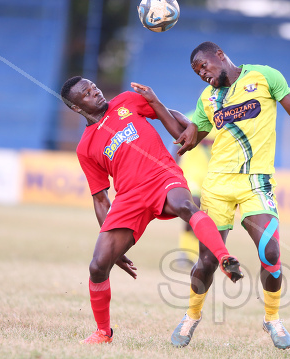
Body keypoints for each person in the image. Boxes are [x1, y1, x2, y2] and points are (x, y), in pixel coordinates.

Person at [132, 42, 290, 350]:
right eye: (197, 73)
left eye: (203, 66)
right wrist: (155, 103)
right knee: (207, 260)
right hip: (217, 185)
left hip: (256, 183)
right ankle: (191, 316)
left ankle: (272, 319)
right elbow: (187, 137)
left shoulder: (265, 76)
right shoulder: (208, 98)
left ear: (219, 54)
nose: (203, 74)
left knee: (271, 253)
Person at [59, 76, 244, 345]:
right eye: (86, 93)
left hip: (162, 174)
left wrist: (189, 129)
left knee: (185, 206)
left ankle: (225, 258)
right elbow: (100, 198)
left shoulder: (126, 101)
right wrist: (111, 243)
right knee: (98, 266)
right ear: (77, 107)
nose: (95, 92)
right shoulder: (85, 148)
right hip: (129, 197)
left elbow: (167, 113)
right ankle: (103, 332)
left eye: (94, 87)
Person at [174, 112, 216, 265]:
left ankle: (197, 255)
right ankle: (185, 253)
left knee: (207, 217)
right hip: (191, 173)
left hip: (212, 177)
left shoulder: (224, 122)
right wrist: (173, 169)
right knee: (193, 208)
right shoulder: (190, 119)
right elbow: (178, 145)